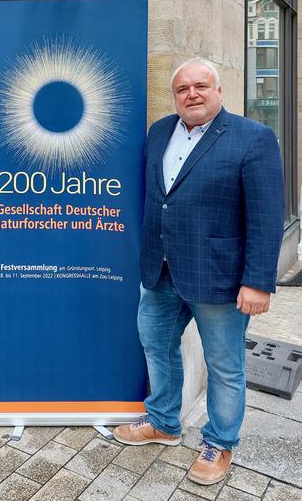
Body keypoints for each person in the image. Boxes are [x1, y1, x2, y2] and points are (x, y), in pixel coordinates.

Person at [114, 58, 284, 486]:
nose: (192, 94)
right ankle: (164, 423)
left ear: (219, 90)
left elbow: (265, 217)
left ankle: (220, 442)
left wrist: (258, 282)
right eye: (183, 89)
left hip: (220, 278)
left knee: (225, 365)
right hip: (161, 271)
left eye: (201, 86)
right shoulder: (158, 132)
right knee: (156, 346)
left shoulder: (253, 138)